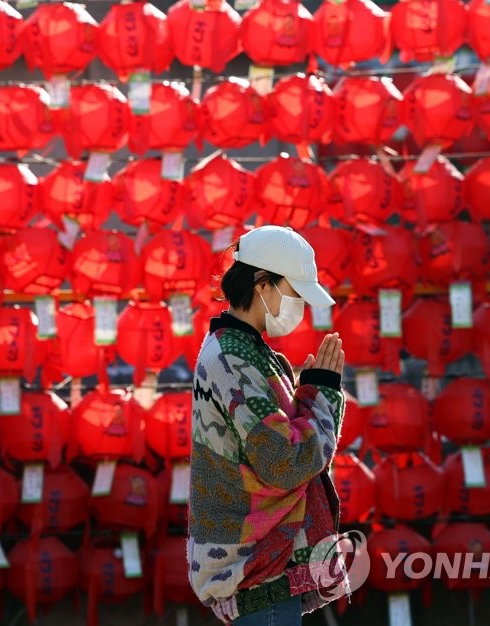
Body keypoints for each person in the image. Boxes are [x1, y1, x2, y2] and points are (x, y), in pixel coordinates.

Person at [189, 225, 347, 625]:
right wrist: (323, 394)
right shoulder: (234, 359)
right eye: (294, 294)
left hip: (256, 564)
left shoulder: (245, 351)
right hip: (255, 567)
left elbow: (276, 437)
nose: (298, 307)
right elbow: (283, 460)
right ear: (263, 284)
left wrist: (310, 395)